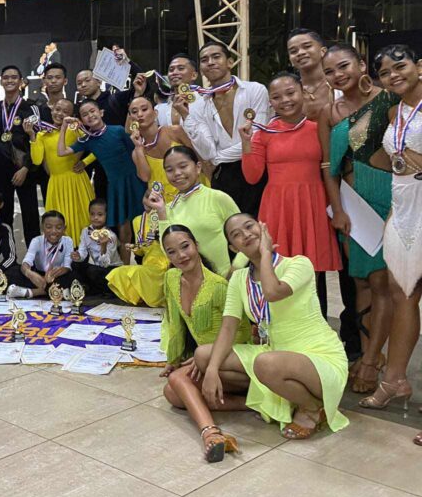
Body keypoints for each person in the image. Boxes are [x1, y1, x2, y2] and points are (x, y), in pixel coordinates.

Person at [197, 215, 349, 439]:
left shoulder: (299, 264)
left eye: (249, 227)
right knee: (204, 356)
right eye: (236, 235)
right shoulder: (239, 279)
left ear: (263, 228)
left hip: (318, 354)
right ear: (233, 246)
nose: (245, 234)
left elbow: (273, 292)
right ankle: (281, 395)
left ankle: (312, 408)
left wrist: (266, 254)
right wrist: (210, 370)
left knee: (265, 363)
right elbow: (228, 328)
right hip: (274, 352)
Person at [320, 43, 395, 392]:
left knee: (382, 284)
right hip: (351, 207)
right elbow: (327, 167)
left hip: (388, 200)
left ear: (362, 63)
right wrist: (338, 210)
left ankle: (371, 363)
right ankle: (370, 353)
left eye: (344, 66)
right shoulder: (330, 112)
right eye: (330, 72)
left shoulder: (389, 99)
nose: (338, 75)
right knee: (361, 282)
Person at [240, 73, 341, 315]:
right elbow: (252, 176)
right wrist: (246, 142)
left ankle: (315, 325)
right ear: (270, 103)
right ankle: (282, 326)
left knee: (312, 273)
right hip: (278, 207)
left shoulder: (319, 128)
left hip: (312, 205)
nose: (285, 100)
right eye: (276, 97)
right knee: (279, 270)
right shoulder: (264, 132)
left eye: (290, 93)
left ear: (303, 93)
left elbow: (331, 167)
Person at [363, 45, 422, 447]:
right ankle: (395, 379)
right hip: (402, 212)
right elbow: (391, 161)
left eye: (400, 66)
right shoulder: (394, 112)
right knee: (404, 295)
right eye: (385, 72)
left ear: (419, 66)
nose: (393, 75)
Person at [288, 30, 358, 362]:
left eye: (306, 47)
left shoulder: (342, 88)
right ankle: (313, 337)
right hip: (304, 186)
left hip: (345, 183)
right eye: (293, 50)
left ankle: (354, 339)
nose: (300, 53)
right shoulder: (289, 92)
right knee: (308, 268)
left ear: (322, 49)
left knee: (349, 267)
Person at [158, 225, 250, 462]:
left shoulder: (219, 286)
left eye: (185, 246)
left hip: (230, 361)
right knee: (173, 395)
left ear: (196, 245)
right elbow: (175, 322)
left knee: (177, 380)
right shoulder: (171, 278)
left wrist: (207, 356)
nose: (181, 256)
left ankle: (210, 433)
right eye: (172, 252)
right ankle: (252, 405)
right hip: (203, 360)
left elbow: (241, 333)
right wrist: (174, 359)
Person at [177, 42, 270, 216]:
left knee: (261, 226)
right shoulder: (196, 103)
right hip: (223, 176)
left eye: (216, 57)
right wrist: (185, 116)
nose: (210, 62)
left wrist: (217, 158)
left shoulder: (255, 90)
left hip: (255, 166)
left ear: (230, 62)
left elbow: (257, 137)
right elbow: (206, 151)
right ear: (201, 69)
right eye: (205, 60)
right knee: (230, 229)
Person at [59, 99, 145, 246]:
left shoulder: (117, 130)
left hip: (135, 180)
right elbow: (61, 152)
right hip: (115, 185)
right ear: (81, 120)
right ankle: (125, 265)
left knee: (144, 219)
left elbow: (136, 151)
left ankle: (145, 258)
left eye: (92, 111)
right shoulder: (87, 140)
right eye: (85, 114)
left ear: (101, 112)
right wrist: (63, 128)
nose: (90, 116)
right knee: (123, 225)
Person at [148, 146, 239, 275]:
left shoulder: (217, 198)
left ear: (198, 167)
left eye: (183, 166)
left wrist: (235, 271)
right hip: (190, 285)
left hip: (225, 281)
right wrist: (161, 212)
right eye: (170, 170)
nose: (177, 173)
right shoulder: (168, 208)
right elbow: (168, 251)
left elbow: (246, 237)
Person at [27, 98, 95, 242]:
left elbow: (97, 146)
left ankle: (81, 257)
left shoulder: (75, 129)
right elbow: (37, 160)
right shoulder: (42, 134)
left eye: (65, 111)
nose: (60, 114)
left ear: (72, 115)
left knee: (80, 219)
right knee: (57, 224)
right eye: (57, 109)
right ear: (52, 110)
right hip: (56, 184)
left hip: (76, 182)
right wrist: (32, 136)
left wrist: (85, 162)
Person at [0, 65, 42, 241]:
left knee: (30, 216)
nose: (10, 80)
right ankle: (8, 258)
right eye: (6, 77)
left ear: (21, 82)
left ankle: (34, 261)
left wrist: (26, 168)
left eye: (14, 77)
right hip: (1, 172)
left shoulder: (31, 108)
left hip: (24, 171)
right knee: (3, 216)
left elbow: (37, 141)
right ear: (0, 81)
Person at [128, 94, 200, 204]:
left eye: (144, 109)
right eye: (134, 112)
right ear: (131, 119)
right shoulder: (136, 152)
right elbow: (145, 177)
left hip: (192, 192)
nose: (140, 114)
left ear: (155, 113)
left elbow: (198, 158)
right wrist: (138, 147)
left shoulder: (175, 131)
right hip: (165, 203)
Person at [107, 189, 169, 307]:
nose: (149, 201)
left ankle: (153, 297)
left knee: (137, 273)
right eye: (146, 197)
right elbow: (140, 252)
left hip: (165, 264)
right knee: (118, 273)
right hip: (147, 264)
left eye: (154, 199)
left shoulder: (167, 217)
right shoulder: (137, 221)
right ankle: (142, 298)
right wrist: (133, 247)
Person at [10, 210, 74, 299]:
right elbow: (26, 262)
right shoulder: (36, 241)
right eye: (49, 227)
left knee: (75, 274)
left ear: (64, 228)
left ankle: (33, 292)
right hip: (38, 276)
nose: (53, 231)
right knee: (13, 271)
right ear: (42, 228)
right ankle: (57, 292)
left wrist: (56, 273)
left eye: (59, 227)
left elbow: (67, 266)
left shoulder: (68, 241)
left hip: (58, 275)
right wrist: (30, 273)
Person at [73, 198, 124, 295]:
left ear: (107, 215)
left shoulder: (111, 235)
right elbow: (82, 252)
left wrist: (103, 246)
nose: (95, 217)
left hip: (112, 269)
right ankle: (88, 288)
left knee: (93, 271)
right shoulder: (85, 231)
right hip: (97, 268)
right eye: (92, 214)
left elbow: (105, 264)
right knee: (74, 264)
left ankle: (107, 290)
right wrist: (78, 256)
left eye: (100, 215)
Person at [158, 54, 199, 127]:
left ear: (194, 75)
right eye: (171, 70)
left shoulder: (204, 102)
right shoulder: (159, 109)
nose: (174, 73)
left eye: (181, 68)